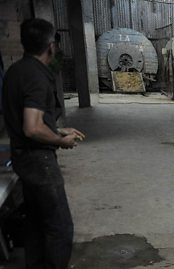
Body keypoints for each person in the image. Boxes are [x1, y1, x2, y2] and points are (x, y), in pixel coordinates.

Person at [2, 18, 85, 269]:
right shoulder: (37, 77)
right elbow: (32, 127)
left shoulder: (16, 71)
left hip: (21, 159)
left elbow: (24, 119)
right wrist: (60, 140)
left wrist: (57, 128)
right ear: (51, 45)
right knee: (60, 227)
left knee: (36, 223)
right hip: (39, 161)